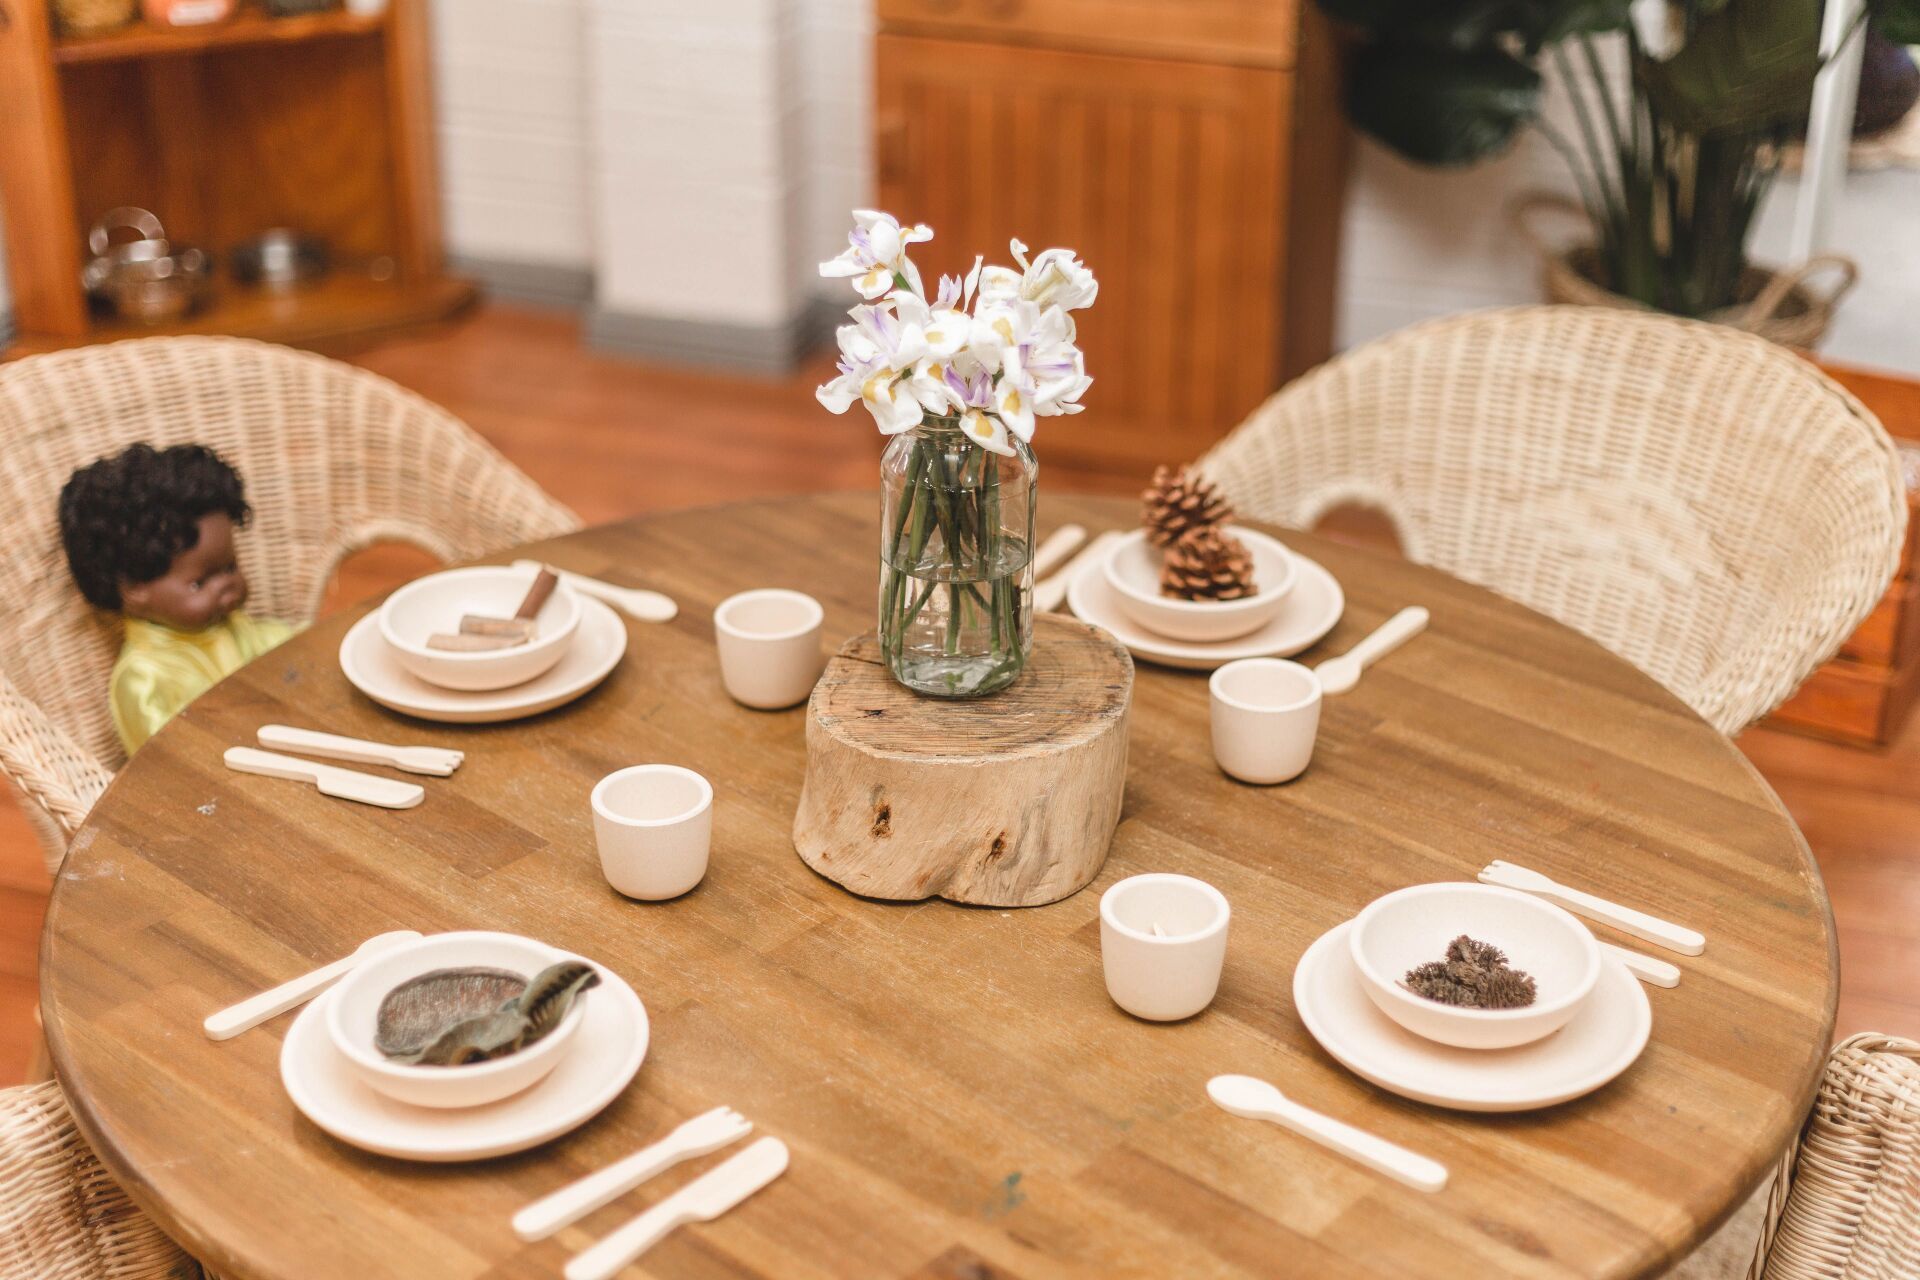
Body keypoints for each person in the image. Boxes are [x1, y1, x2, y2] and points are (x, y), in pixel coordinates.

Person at [58, 443, 299, 755]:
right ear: (134, 590)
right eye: (200, 583)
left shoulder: (229, 625)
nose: (226, 586)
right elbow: (172, 764)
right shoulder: (145, 681)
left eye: (230, 568)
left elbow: (282, 647)